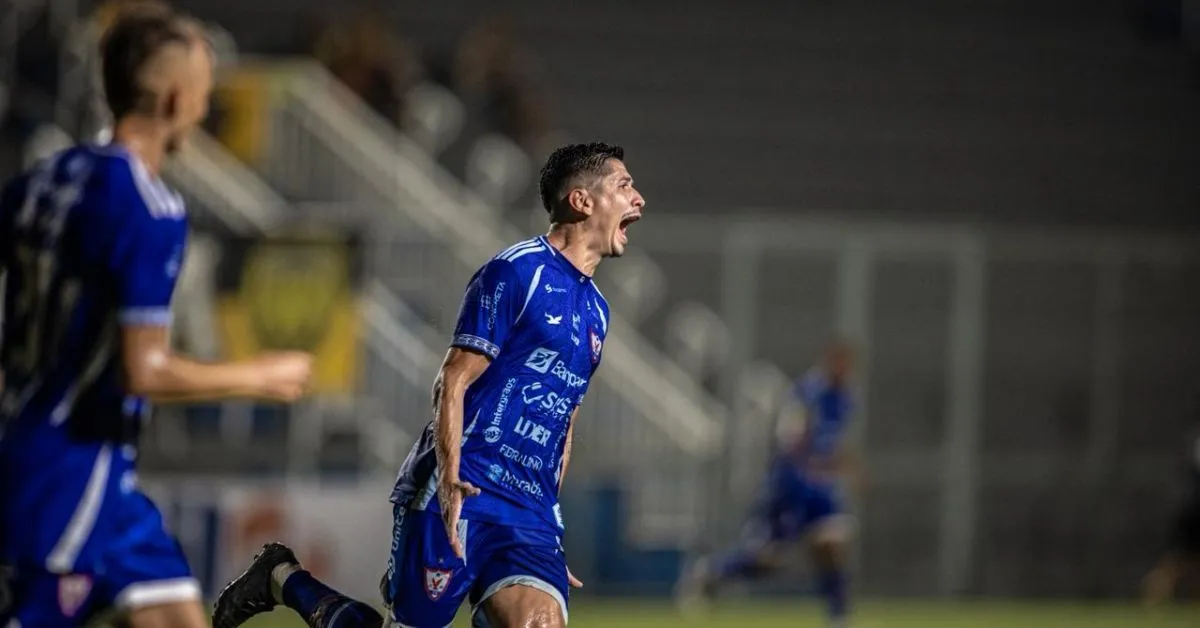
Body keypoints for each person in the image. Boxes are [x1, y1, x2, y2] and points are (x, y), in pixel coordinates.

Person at [213, 142, 645, 628]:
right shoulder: (516, 271)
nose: (639, 200)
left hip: (528, 512)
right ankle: (282, 577)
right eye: (624, 186)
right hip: (465, 485)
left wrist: (547, 523)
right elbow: (453, 379)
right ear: (582, 201)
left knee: (539, 622)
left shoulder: (598, 313)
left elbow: (565, 419)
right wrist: (449, 479)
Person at [0, 9, 315, 628]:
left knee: (176, 615)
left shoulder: (47, 178)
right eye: (203, 92)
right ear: (174, 98)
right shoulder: (150, 208)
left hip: (85, 469)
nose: (205, 108)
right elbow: (142, 369)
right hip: (67, 470)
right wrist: (258, 376)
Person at [676, 341, 862, 628]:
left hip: (820, 488)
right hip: (792, 484)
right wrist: (806, 466)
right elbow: (790, 440)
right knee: (767, 558)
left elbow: (833, 442)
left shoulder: (845, 398)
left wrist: (845, 467)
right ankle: (708, 574)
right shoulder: (807, 393)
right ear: (829, 362)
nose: (843, 371)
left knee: (833, 542)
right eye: (839, 364)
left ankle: (838, 616)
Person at [1142, 429, 1200, 606]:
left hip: (1192, 510)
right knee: (1174, 564)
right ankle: (1151, 601)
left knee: (1176, 564)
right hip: (1194, 512)